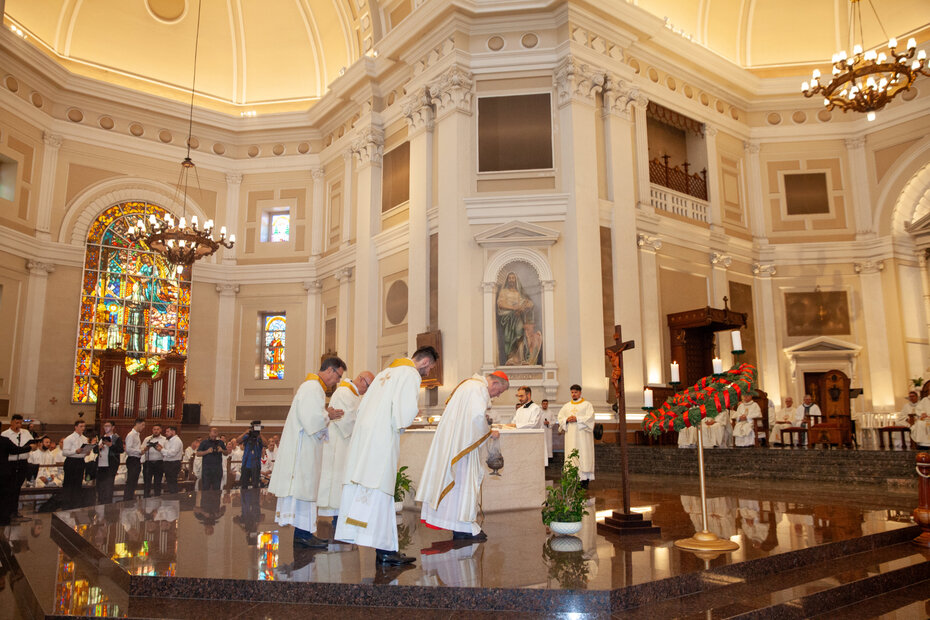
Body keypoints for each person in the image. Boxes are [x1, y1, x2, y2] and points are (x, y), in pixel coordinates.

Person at [335, 346, 438, 566]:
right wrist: (412, 415)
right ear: (425, 362)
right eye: (430, 368)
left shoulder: (384, 373)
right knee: (381, 491)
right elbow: (403, 415)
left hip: (365, 438)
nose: (428, 373)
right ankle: (384, 551)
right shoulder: (410, 374)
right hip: (382, 440)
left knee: (371, 489)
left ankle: (385, 547)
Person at [418, 371, 509, 541]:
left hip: (456, 443)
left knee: (457, 484)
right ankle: (462, 526)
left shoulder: (467, 385)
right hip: (463, 447)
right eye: (499, 392)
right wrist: (489, 432)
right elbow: (475, 419)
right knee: (464, 482)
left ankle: (459, 524)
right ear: (495, 384)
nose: (497, 395)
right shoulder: (478, 389)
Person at [270, 357, 347, 548]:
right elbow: (311, 420)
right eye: (338, 376)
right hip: (303, 449)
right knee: (304, 490)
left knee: (307, 490)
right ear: (330, 370)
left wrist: (325, 414)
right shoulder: (312, 388)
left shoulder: (313, 387)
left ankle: (303, 532)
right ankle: (303, 534)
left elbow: (312, 416)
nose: (337, 381)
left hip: (307, 447)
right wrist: (327, 415)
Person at [318, 371, 374, 524]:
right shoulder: (344, 392)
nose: (366, 390)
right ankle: (337, 518)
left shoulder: (353, 395)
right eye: (368, 386)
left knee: (343, 480)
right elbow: (346, 420)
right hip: (338, 444)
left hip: (346, 443)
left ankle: (341, 515)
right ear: (362, 380)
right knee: (337, 480)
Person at [558, 384, 595, 488]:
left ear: (580, 392)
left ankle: (584, 480)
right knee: (572, 456)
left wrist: (577, 419)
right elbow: (560, 418)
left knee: (583, 456)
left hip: (583, 437)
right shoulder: (566, 406)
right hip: (571, 437)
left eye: (576, 392)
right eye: (572, 392)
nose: (574, 394)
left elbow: (590, 418)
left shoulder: (587, 405)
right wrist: (566, 420)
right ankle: (573, 480)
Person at [1, 422, 38, 525]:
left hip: (16, 466)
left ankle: (11, 513)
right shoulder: (4, 439)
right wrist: (29, 447)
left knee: (11, 491)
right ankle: (4, 518)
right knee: (5, 494)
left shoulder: (24, 433)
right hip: (5, 469)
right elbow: (15, 450)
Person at [496, 272, 534, 365]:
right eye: (510, 278)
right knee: (509, 337)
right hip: (507, 318)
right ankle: (511, 358)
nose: (511, 280)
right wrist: (513, 308)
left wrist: (525, 306)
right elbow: (500, 304)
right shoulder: (503, 291)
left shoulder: (518, 292)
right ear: (507, 280)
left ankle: (521, 359)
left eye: (513, 278)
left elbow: (526, 303)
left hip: (517, 317)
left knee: (520, 333)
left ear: (515, 280)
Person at [61, 419, 92, 508]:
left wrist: (86, 452)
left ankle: (76, 504)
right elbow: (65, 452)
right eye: (81, 426)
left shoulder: (85, 438)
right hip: (71, 461)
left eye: (84, 426)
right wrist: (75, 451)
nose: (83, 428)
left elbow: (84, 451)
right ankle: (67, 505)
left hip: (80, 462)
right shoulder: (69, 438)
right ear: (75, 427)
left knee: (78, 484)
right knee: (69, 484)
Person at [96, 421, 123, 503]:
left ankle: (107, 504)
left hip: (110, 465)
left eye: (108, 426)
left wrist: (111, 445)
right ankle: (100, 503)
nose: (106, 428)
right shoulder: (101, 438)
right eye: (104, 426)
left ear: (113, 427)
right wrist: (99, 448)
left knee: (108, 487)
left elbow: (120, 450)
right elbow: (95, 451)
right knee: (100, 487)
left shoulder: (116, 438)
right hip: (100, 465)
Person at [236, 421, 267, 489]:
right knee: (244, 485)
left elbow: (265, 443)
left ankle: (255, 499)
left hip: (256, 465)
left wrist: (260, 434)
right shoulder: (247, 436)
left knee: (255, 485)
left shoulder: (259, 438)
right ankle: (243, 499)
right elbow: (237, 440)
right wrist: (245, 432)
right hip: (246, 464)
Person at [141, 424, 167, 497]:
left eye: (157, 429)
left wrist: (160, 448)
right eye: (154, 429)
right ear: (152, 430)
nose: (156, 431)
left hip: (159, 462)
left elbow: (166, 451)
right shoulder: (147, 439)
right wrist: (147, 448)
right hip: (148, 463)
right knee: (147, 482)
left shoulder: (164, 439)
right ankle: (146, 497)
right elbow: (141, 449)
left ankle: (157, 498)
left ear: (161, 430)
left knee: (158, 482)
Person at [123, 419, 145, 500]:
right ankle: (127, 499)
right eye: (142, 425)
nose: (143, 427)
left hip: (136, 459)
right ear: (137, 424)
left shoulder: (137, 435)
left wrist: (141, 451)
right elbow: (128, 449)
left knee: (134, 482)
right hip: (132, 460)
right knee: (131, 481)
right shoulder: (131, 434)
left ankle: (130, 498)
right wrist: (139, 451)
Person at [162, 426, 184, 494]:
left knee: (172, 482)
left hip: (173, 464)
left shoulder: (177, 441)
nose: (166, 433)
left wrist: (161, 450)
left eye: (168, 431)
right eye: (166, 432)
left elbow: (172, 453)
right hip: (168, 463)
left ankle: (174, 497)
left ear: (173, 432)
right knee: (169, 482)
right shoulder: (167, 441)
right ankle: (171, 497)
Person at [540, 399, 554, 463]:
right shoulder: (539, 412)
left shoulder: (550, 412)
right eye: (544, 404)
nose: (545, 405)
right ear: (542, 404)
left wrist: (549, 423)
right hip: (541, 430)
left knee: (548, 443)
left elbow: (554, 421)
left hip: (548, 431)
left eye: (546, 404)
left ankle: (549, 457)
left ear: (547, 404)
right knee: (542, 443)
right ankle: (542, 456)